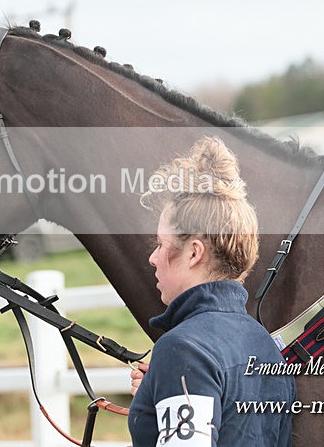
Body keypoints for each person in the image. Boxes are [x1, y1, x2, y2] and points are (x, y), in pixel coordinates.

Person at [128, 137, 295, 446]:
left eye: (161, 244)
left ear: (193, 253)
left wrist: (173, 370)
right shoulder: (266, 345)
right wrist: (157, 394)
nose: (152, 257)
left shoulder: (183, 348)